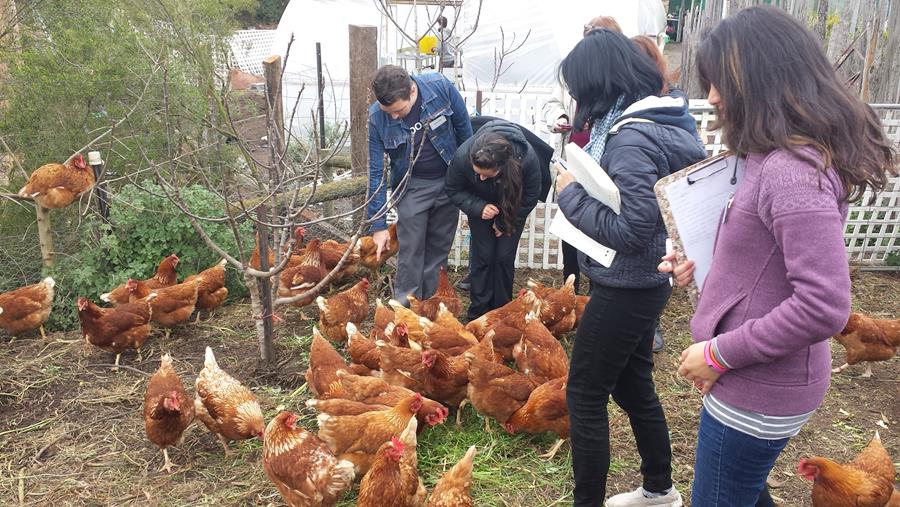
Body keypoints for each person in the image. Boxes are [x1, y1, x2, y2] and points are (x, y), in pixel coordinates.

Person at [659, 7, 896, 506]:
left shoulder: (791, 170)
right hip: (754, 377)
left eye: (721, 81)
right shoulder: (769, 157)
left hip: (759, 385)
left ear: (762, 79)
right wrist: (702, 267)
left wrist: (718, 354)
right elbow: (765, 259)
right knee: (743, 491)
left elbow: (824, 306)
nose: (713, 96)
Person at [554, 29, 707, 506]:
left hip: (627, 283)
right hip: (646, 280)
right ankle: (659, 489)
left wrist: (570, 195)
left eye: (580, 89)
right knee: (633, 385)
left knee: (584, 393)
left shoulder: (631, 137)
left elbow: (632, 230)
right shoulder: (666, 117)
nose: (579, 100)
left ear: (599, 85)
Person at [367, 65, 473, 305]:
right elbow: (376, 172)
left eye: (398, 110)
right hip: (411, 186)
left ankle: (432, 309)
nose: (394, 117)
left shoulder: (440, 88)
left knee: (438, 250)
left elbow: (465, 132)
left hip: (448, 180)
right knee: (410, 251)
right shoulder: (376, 118)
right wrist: (378, 225)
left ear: (412, 90)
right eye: (388, 111)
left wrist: (466, 179)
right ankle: (406, 310)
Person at [542, 15, 623, 298]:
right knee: (571, 225)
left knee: (600, 227)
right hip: (573, 159)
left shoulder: (618, 82)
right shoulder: (574, 69)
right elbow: (553, 103)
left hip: (603, 167)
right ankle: (571, 290)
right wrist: (560, 117)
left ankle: (598, 291)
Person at [445, 119, 542, 320]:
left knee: (504, 258)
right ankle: (479, 313)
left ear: (502, 168)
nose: (480, 178)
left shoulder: (527, 159)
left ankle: (503, 312)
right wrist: (478, 207)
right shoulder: (463, 155)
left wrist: (506, 221)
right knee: (484, 256)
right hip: (479, 207)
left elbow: (531, 196)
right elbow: (453, 188)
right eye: (477, 173)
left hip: (513, 209)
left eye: (486, 175)